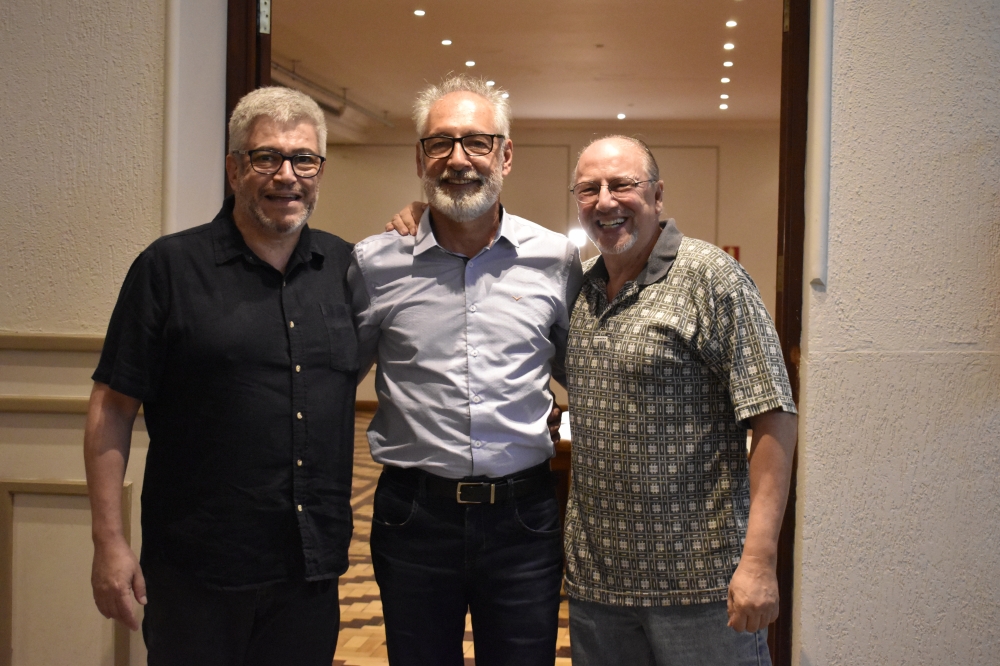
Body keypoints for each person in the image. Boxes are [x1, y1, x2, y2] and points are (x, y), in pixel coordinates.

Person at [84, 87, 356, 665]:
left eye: (303, 159)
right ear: (234, 169)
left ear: (320, 171)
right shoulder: (168, 268)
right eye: (267, 157)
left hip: (309, 570)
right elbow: (112, 407)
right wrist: (108, 542)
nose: (287, 175)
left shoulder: (346, 268)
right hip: (196, 573)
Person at [349, 74, 581, 666]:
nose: (458, 159)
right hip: (414, 517)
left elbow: (587, 373)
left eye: (477, 142)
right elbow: (330, 379)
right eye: (440, 143)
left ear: (506, 155)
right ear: (420, 158)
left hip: (525, 518)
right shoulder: (375, 264)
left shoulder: (555, 259)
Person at [561, 135, 798, 665]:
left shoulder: (712, 278)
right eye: (589, 188)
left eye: (622, 184)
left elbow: (773, 415)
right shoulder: (580, 289)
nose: (605, 200)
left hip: (704, 589)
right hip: (599, 591)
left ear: (657, 194)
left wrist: (759, 561)